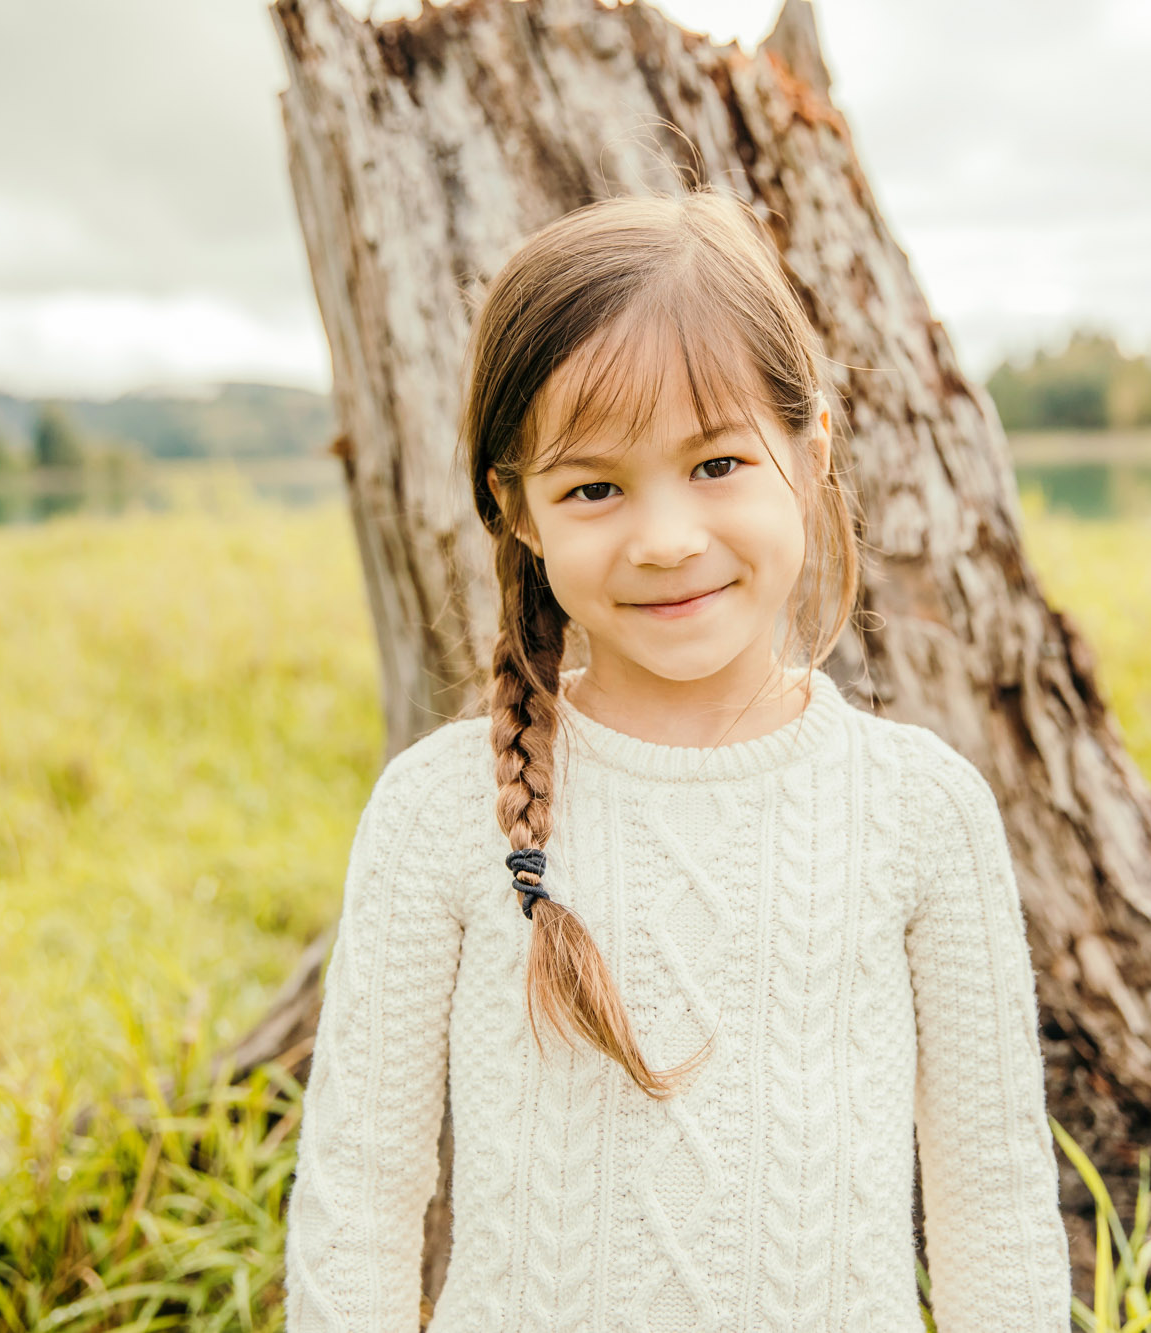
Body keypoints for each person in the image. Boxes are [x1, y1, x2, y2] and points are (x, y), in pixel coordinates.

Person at [282, 187, 1072, 1332]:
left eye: (715, 465)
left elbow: (992, 1209)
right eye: (593, 487)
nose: (664, 538)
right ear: (515, 509)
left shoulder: (918, 810)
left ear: (808, 454)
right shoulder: (436, 811)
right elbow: (355, 1202)